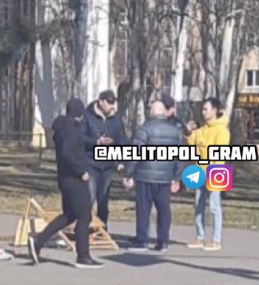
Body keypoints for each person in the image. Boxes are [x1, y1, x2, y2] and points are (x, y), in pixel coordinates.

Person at [27, 98, 105, 269]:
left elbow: (79, 141)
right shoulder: (70, 129)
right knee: (84, 215)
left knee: (69, 215)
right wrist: (81, 171)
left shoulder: (65, 127)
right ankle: (83, 256)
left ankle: (38, 241)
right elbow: (67, 152)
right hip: (75, 179)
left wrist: (95, 142)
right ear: (79, 114)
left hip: (66, 179)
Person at [122, 100, 184, 252]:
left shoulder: (144, 130)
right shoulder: (175, 131)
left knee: (143, 209)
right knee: (164, 209)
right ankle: (163, 241)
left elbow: (135, 154)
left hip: (145, 175)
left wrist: (128, 174)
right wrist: (177, 177)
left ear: (152, 112)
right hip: (165, 177)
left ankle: (142, 240)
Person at [186, 97, 230, 251]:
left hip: (216, 172)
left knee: (214, 206)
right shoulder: (202, 129)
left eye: (206, 109)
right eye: (202, 109)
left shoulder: (221, 130)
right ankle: (200, 237)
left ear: (214, 111)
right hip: (200, 172)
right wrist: (189, 132)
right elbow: (192, 144)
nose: (203, 112)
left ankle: (216, 239)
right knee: (198, 205)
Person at [82, 90, 129, 230]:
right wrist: (96, 141)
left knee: (103, 200)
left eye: (113, 103)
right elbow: (80, 138)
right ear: (100, 101)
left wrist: (122, 161)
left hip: (107, 165)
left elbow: (122, 140)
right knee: (89, 197)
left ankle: (102, 229)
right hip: (90, 163)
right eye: (109, 103)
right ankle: (83, 228)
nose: (111, 106)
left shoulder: (116, 119)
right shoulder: (87, 116)